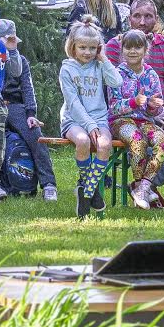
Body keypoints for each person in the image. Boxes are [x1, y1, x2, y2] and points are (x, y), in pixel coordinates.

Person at [58, 20, 122, 218]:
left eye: (92, 48)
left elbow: (117, 82)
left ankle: (85, 190)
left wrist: (103, 59)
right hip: (73, 120)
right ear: (73, 47)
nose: (87, 52)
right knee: (84, 141)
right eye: (83, 47)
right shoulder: (67, 69)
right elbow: (73, 103)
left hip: (99, 118)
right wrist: (89, 125)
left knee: (104, 145)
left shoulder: (99, 65)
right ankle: (91, 191)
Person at [0, 19, 56, 203]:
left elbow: (27, 89)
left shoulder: (20, 61)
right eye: (7, 41)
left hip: (15, 106)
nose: (10, 45)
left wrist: (31, 114)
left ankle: (48, 184)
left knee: (35, 135)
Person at [110, 29, 164, 210]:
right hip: (120, 121)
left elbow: (155, 109)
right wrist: (133, 102)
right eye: (128, 47)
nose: (133, 51)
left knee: (163, 141)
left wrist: (153, 106)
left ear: (146, 50)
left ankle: (143, 187)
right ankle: (139, 185)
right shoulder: (116, 74)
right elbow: (113, 106)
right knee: (137, 140)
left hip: (144, 121)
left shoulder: (151, 75)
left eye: (137, 47)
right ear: (122, 50)